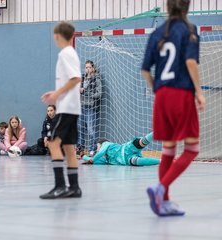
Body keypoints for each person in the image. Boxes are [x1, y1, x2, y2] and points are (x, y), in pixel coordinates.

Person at [141, 0, 204, 217]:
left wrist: (157, 91)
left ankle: (163, 202)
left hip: (161, 96)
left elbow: (145, 70)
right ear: (187, 7)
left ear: (167, 7)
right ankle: (160, 189)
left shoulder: (157, 32)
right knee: (192, 149)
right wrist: (199, 92)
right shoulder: (189, 30)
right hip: (181, 93)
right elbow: (190, 63)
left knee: (168, 148)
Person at [40, 21, 82, 199]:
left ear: (57, 36)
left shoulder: (65, 53)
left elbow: (75, 78)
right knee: (69, 147)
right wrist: (57, 92)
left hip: (65, 108)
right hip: (73, 107)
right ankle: (74, 187)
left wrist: (56, 94)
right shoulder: (71, 53)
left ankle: (59, 186)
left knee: (53, 142)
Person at [82, 132, 159, 166]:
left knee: (141, 142)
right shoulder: (106, 159)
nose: (97, 148)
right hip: (126, 160)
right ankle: (162, 161)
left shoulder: (106, 144)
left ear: (101, 144)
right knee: (137, 162)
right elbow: (94, 161)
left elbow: (99, 153)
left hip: (126, 149)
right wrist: (83, 156)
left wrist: (92, 159)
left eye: (98, 146)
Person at [78, 60, 102, 154]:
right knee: (80, 129)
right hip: (81, 106)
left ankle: (93, 149)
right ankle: (80, 149)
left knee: (91, 129)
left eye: (89, 67)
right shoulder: (82, 79)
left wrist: (87, 93)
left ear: (93, 68)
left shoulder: (96, 79)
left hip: (91, 107)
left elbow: (99, 94)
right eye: (86, 67)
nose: (88, 69)